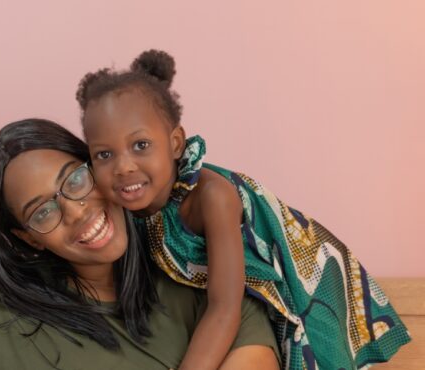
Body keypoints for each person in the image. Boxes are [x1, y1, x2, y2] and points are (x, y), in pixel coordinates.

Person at [76, 49, 411, 370]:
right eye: (104, 154)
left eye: (141, 145)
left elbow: (224, 307)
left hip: (296, 277)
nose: (123, 167)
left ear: (176, 143)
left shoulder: (212, 198)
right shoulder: (117, 208)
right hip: (227, 294)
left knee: (310, 351)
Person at [0, 118, 280, 370]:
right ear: (28, 237)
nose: (76, 211)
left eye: (76, 179)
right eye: (42, 213)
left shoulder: (197, 271)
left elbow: (257, 360)